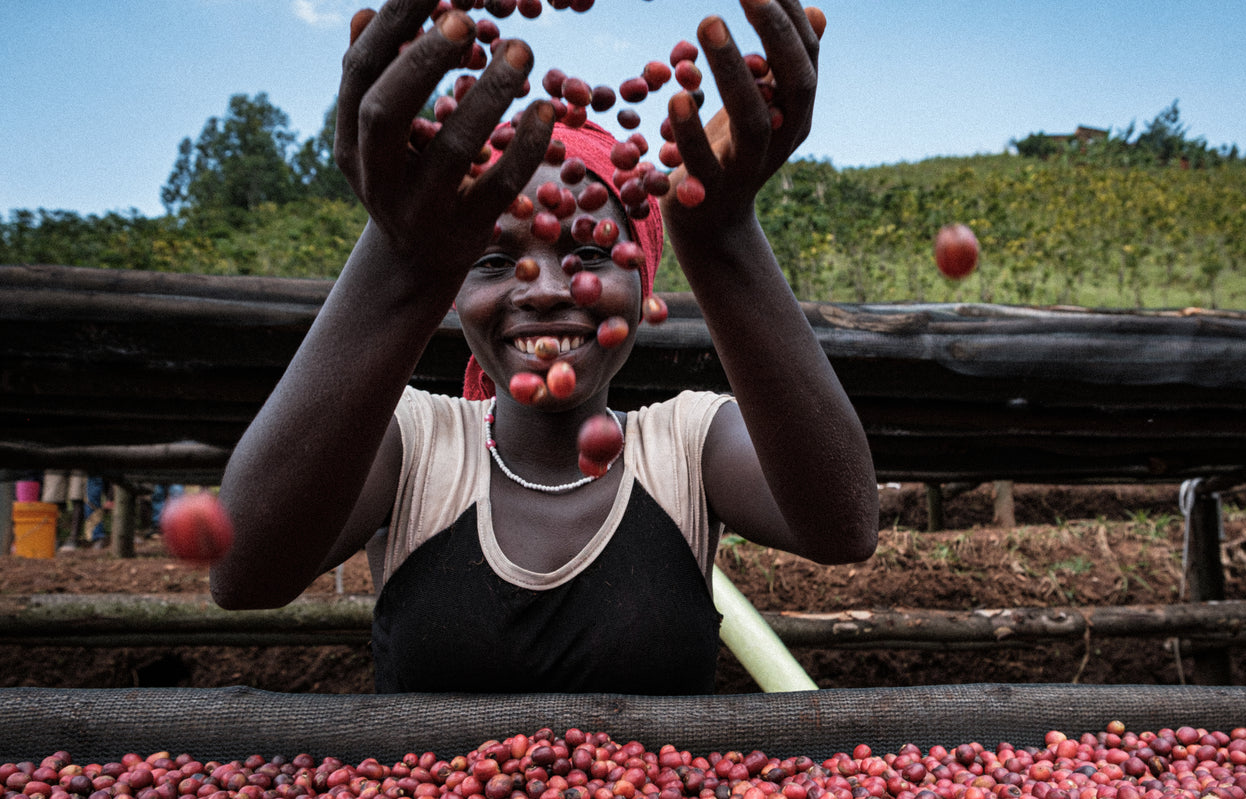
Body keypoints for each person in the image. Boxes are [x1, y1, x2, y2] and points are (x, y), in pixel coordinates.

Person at [210, 0, 877, 694]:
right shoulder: (410, 442)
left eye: (590, 252)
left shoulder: (687, 444)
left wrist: (723, 239)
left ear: (643, 286)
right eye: (493, 261)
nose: (547, 287)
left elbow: (843, 525)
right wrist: (400, 258)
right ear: (452, 291)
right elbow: (244, 574)